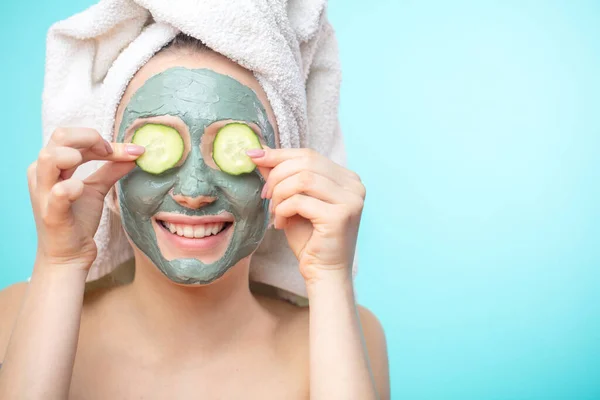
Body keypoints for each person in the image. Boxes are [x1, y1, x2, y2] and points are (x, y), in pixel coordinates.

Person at [0, 2, 389, 399]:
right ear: (108, 171)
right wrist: (60, 262)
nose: (195, 191)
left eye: (235, 147)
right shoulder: (15, 318)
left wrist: (328, 276)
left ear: (286, 166)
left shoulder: (346, 333)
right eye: (157, 145)